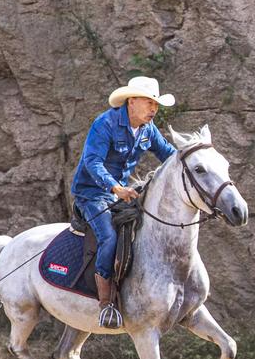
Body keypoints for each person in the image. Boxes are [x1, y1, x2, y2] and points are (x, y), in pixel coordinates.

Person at [71, 76, 176, 327]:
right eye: (149, 102)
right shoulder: (104, 124)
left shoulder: (148, 130)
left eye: (156, 104)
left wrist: (192, 161)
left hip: (120, 193)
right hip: (92, 193)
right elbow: (92, 162)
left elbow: (170, 156)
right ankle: (106, 304)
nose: (154, 109)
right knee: (109, 237)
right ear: (131, 101)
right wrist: (116, 187)